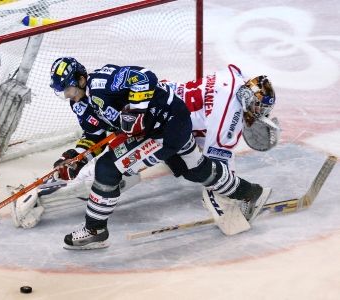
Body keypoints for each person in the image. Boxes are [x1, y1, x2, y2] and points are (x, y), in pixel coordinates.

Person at [16, 57, 277, 249]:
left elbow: (144, 77)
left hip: (165, 126)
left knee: (108, 168)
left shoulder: (102, 81)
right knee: (196, 170)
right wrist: (76, 156)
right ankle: (250, 192)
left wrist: (137, 112)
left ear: (81, 79)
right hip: (170, 124)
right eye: (63, 90)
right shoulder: (81, 106)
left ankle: (95, 230)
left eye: (70, 87)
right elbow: (94, 136)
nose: (67, 94)